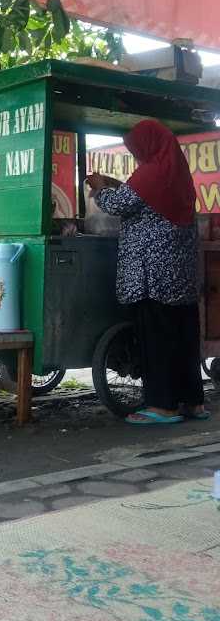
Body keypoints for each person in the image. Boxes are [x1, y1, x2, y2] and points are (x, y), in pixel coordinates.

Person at [87, 119, 208, 426]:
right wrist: (116, 184)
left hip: (153, 276)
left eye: (137, 150)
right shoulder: (175, 174)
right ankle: (192, 402)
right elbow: (137, 196)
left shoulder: (151, 173)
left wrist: (101, 188)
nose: (137, 156)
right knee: (183, 338)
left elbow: (117, 204)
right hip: (180, 277)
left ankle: (162, 406)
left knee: (157, 340)